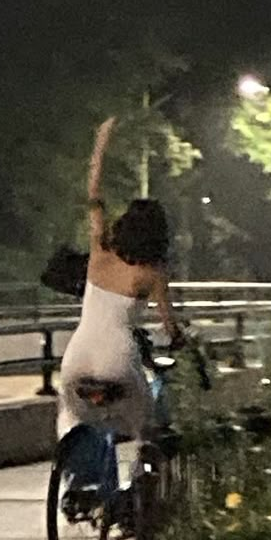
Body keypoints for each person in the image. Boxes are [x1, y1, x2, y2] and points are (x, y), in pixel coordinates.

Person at [57, 117, 183, 501]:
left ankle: (77, 487)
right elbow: (169, 327)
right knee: (147, 426)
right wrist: (180, 340)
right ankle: (138, 497)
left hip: (77, 357)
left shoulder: (100, 251)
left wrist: (100, 145)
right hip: (118, 359)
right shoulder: (153, 273)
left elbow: (93, 195)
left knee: (71, 415)